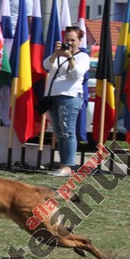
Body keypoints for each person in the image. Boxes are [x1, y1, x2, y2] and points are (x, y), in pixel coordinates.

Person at [42, 26, 90, 177]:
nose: (69, 43)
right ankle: (62, 165)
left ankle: (67, 166)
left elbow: (76, 74)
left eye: (73, 40)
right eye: (67, 39)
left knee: (68, 132)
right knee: (59, 133)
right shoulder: (60, 55)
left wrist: (69, 57)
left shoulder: (83, 57)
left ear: (79, 41)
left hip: (69, 97)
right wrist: (56, 54)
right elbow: (46, 65)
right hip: (53, 97)